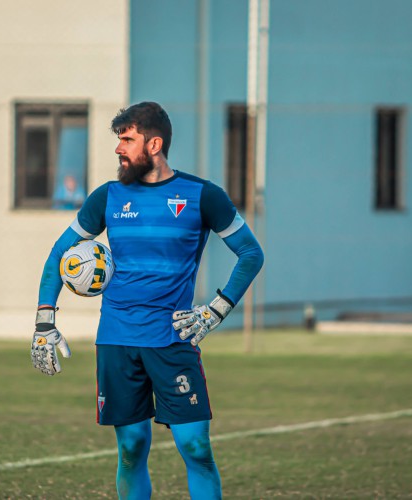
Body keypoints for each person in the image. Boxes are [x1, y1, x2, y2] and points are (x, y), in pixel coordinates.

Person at [32, 102, 264, 499]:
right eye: (118, 140)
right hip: (118, 340)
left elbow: (251, 253)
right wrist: (44, 323)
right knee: (131, 448)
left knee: (196, 448)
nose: (118, 149)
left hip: (173, 339)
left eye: (127, 140)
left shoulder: (202, 195)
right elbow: (59, 254)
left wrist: (216, 309)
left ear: (154, 144)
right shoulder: (106, 197)